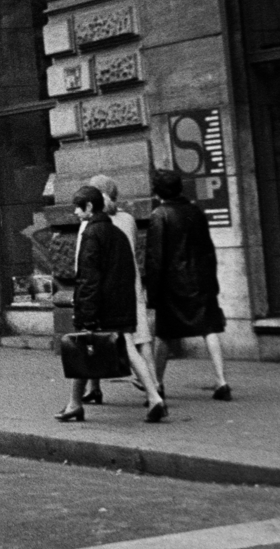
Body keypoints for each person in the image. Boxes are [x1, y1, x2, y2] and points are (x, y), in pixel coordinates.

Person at [57, 185, 167, 424]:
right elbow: (127, 272)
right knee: (128, 348)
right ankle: (154, 396)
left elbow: (88, 278)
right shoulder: (117, 233)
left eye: (78, 207)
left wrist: (85, 314)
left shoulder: (91, 234)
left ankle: (75, 404)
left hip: (99, 306)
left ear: (89, 207)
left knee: (82, 351)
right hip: (121, 303)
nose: (75, 212)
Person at [144, 169, 231, 400]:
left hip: (172, 285)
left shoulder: (159, 215)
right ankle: (221, 381)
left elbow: (155, 258)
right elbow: (208, 250)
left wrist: (152, 293)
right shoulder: (195, 211)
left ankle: (157, 384)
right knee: (209, 328)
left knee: (164, 334)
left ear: (157, 191)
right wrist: (212, 282)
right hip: (200, 281)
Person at [80, 175, 161, 406]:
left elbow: (84, 260)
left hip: (105, 287)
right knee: (141, 337)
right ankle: (154, 387)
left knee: (92, 337)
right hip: (131, 282)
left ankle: (92, 389)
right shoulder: (128, 219)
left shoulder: (91, 224)